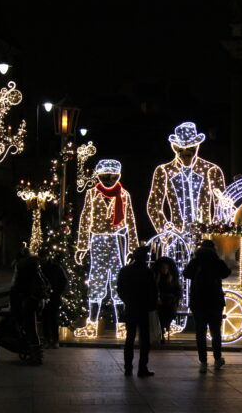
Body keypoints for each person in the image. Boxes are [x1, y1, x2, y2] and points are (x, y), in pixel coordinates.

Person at [73, 159, 140, 339]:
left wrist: (132, 249)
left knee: (119, 282)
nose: (108, 180)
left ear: (118, 176)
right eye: (104, 176)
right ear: (98, 176)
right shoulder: (92, 194)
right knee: (96, 280)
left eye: (112, 177)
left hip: (117, 240)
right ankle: (91, 324)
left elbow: (131, 222)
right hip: (98, 240)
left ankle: (122, 325)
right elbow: (85, 219)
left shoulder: (124, 195)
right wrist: (82, 246)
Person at [147, 122, 226, 235]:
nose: (185, 153)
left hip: (204, 235)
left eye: (190, 148)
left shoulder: (211, 170)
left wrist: (213, 232)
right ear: (175, 148)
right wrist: (166, 232)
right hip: (176, 235)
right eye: (181, 149)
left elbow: (222, 205)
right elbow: (154, 206)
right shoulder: (164, 171)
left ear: (197, 146)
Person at [183, 239, 231, 373]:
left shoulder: (196, 261)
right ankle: (217, 359)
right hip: (215, 302)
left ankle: (203, 361)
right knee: (215, 332)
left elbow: (186, 273)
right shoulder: (217, 261)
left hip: (198, 302)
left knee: (200, 332)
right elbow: (226, 273)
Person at [117, 246, 158, 377]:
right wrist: (151, 305)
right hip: (143, 308)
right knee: (144, 339)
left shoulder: (125, 270)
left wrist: (127, 300)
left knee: (130, 338)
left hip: (130, 307)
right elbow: (153, 290)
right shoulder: (147, 272)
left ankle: (128, 368)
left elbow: (120, 289)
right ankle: (142, 368)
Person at [10, 246, 50, 362]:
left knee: (30, 327)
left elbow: (18, 287)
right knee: (31, 327)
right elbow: (45, 283)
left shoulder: (23, 267)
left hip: (28, 300)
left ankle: (36, 356)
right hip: (35, 300)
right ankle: (35, 353)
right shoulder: (35, 266)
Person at [40, 248, 68, 349]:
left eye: (44, 256)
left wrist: (57, 292)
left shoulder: (56, 267)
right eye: (42, 257)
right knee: (45, 319)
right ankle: (47, 339)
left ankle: (55, 340)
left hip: (54, 296)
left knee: (53, 318)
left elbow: (63, 280)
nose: (43, 258)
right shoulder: (39, 268)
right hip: (43, 297)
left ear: (48, 256)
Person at [153, 256, 181, 342]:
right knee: (160, 313)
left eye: (166, 268)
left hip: (170, 301)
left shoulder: (172, 279)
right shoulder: (157, 279)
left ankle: (166, 326)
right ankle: (162, 330)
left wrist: (175, 299)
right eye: (163, 268)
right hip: (159, 301)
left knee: (169, 311)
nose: (164, 270)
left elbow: (177, 290)